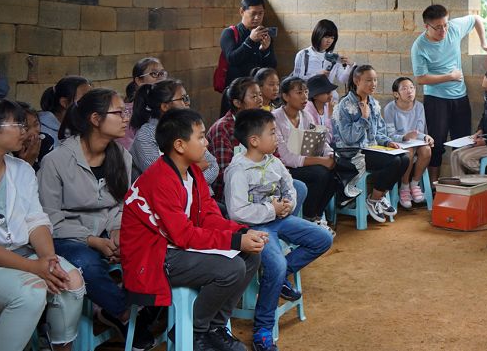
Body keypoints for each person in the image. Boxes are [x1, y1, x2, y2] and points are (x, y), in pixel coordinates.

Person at [121, 108, 265, 351]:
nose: (205, 141)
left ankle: (215, 327)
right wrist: (234, 242)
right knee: (231, 268)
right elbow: (183, 235)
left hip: (174, 248)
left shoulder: (192, 172)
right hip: (153, 257)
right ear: (179, 145)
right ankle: (193, 332)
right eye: (199, 137)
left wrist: (241, 233)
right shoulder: (160, 179)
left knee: (251, 256)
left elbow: (208, 215)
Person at [37, 88, 154, 350]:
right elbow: (49, 219)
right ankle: (123, 313)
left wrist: (116, 232)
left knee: (155, 244)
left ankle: (146, 309)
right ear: (94, 119)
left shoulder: (120, 155)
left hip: (107, 232)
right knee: (84, 262)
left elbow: (123, 204)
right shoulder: (56, 161)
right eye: (118, 112)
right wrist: (93, 241)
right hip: (67, 236)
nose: (126, 118)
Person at [0, 98, 85, 351]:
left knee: (71, 281)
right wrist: (33, 267)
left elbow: (36, 220)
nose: (27, 132)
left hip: (20, 255)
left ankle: (60, 348)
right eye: (18, 124)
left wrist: (49, 261)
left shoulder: (21, 169)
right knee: (29, 293)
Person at [224, 109, 333, 351]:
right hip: (255, 228)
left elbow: (290, 187)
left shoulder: (273, 162)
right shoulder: (238, 170)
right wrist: (271, 210)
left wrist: (288, 205)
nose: (277, 138)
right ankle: (262, 330)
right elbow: (237, 212)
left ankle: (280, 277)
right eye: (272, 133)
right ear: (254, 140)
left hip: (279, 219)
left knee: (322, 239)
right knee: (276, 264)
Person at [410, 4, 487, 182]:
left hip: (460, 97)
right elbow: (421, 78)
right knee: (436, 144)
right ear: (427, 26)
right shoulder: (419, 46)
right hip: (436, 99)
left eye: (445, 24)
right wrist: (450, 76)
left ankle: (461, 185)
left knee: (462, 141)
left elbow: (476, 19)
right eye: (438, 27)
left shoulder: (453, 29)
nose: (443, 30)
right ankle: (434, 186)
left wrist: (483, 43)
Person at [333, 65, 408, 224]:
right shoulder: (345, 105)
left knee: (404, 158)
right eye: (368, 80)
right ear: (356, 80)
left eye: (375, 80)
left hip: (371, 149)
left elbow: (379, 131)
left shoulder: (373, 103)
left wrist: (388, 142)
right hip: (352, 153)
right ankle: (374, 199)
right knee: (394, 161)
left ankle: (377, 197)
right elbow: (348, 139)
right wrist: (363, 119)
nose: (373, 84)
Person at [272, 76, 336, 228]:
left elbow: (319, 143)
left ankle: (317, 215)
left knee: (334, 172)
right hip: (285, 169)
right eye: (299, 93)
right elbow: (286, 158)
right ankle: (309, 217)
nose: (305, 97)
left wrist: (330, 154)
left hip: (304, 162)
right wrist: (321, 161)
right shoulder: (275, 118)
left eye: (306, 92)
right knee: (320, 173)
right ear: (286, 96)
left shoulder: (305, 116)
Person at [130, 80, 218, 187]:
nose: (188, 103)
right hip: (164, 199)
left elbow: (212, 165)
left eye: (187, 98)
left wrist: (186, 178)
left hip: (198, 192)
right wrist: (195, 171)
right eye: (183, 99)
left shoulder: (187, 127)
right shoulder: (146, 136)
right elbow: (161, 178)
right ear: (165, 107)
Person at [208, 76, 264, 202]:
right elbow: (224, 172)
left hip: (260, 180)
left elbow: (273, 154)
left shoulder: (260, 123)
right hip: (231, 189)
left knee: (298, 187)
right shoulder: (222, 128)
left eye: (260, 95)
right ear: (237, 103)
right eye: (254, 96)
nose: (260, 99)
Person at [382, 77, 434, 208]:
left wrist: (426, 137)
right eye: (404, 89)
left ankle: (414, 184)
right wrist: (404, 137)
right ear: (396, 94)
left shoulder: (419, 107)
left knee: (427, 149)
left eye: (411, 87)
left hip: (415, 142)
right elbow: (389, 134)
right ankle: (404, 187)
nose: (409, 91)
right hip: (399, 143)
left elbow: (420, 131)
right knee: (408, 152)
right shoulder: (390, 109)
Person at [219, 0, 276, 113]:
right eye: (253, 13)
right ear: (242, 11)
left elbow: (271, 67)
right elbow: (232, 59)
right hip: (237, 95)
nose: (257, 17)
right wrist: (250, 41)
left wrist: (266, 50)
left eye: (261, 13)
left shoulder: (264, 34)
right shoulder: (229, 33)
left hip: (257, 95)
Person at [449, 69, 487, 177]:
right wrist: (479, 131)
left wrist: (486, 142)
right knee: (454, 155)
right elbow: (484, 117)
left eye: (485, 76)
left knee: (465, 157)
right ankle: (460, 189)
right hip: (485, 140)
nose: (482, 77)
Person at [291, 19, 355, 94]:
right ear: (318, 35)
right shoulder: (303, 55)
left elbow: (343, 79)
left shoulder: (334, 57)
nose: (329, 41)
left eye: (332, 38)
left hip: (330, 99)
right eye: (327, 37)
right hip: (309, 99)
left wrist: (350, 66)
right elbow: (296, 82)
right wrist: (316, 75)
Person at [119, 57, 167, 150]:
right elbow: (126, 150)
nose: (161, 78)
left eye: (162, 73)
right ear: (139, 80)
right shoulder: (126, 114)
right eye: (154, 74)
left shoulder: (166, 108)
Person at [38, 76, 92, 153]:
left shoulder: (81, 127)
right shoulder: (43, 133)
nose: (92, 103)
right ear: (64, 103)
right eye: (85, 98)